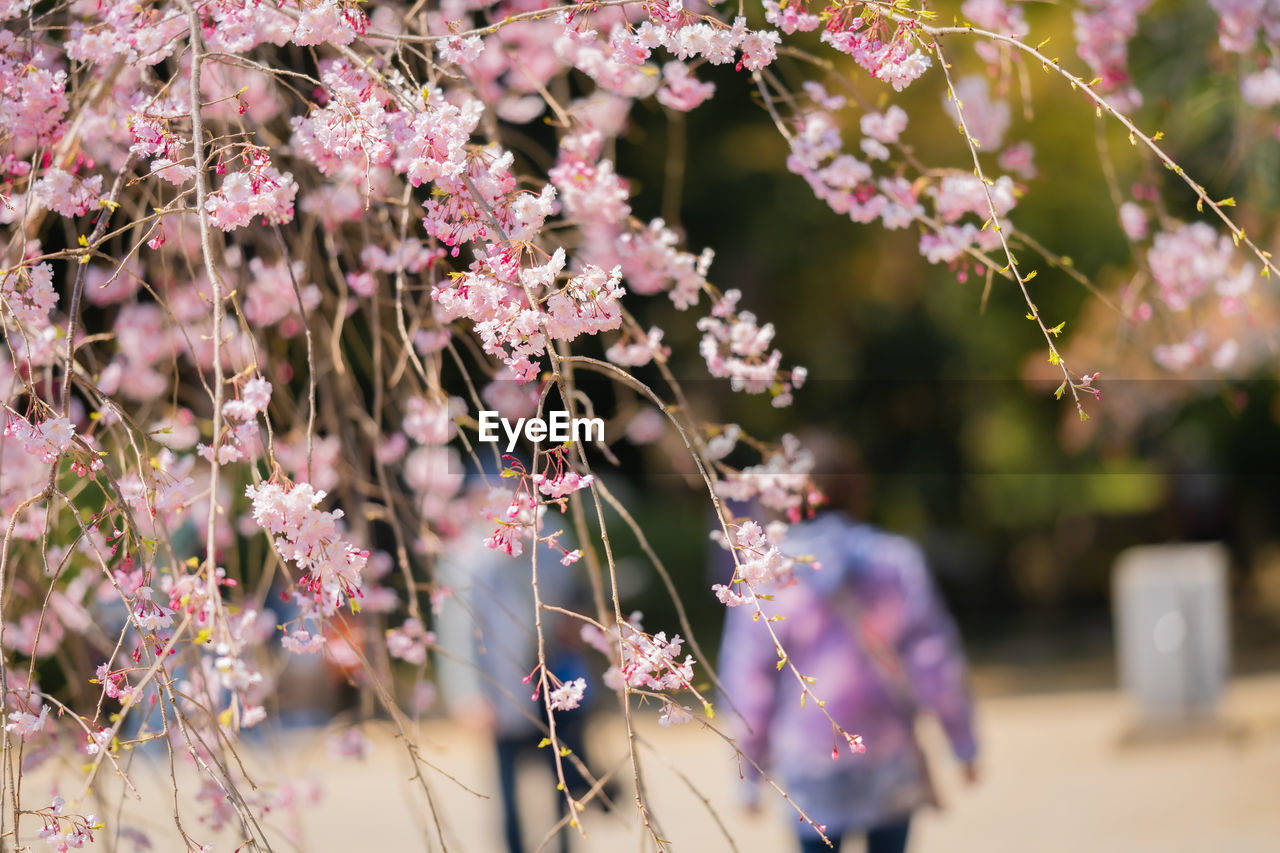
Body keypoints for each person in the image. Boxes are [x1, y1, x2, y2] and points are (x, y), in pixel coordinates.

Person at [718, 491, 978, 853]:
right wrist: (962, 741)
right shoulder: (895, 560)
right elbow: (933, 659)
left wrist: (747, 770)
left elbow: (750, 681)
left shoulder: (765, 575)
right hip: (890, 750)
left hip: (808, 756)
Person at [434, 517, 592, 853]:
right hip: (500, 681)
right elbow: (457, 631)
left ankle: (564, 845)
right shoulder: (467, 557)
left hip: (554, 676)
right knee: (508, 781)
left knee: (561, 777)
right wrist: (468, 693)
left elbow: (575, 597)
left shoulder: (549, 540)